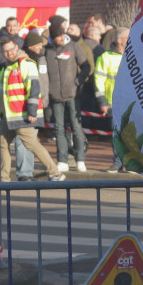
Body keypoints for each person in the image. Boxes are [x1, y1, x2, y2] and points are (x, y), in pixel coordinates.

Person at [0, 35, 63, 181]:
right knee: (2, 144)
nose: (9, 53)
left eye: (11, 50)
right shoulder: (9, 67)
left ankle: (55, 172)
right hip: (10, 115)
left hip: (23, 114)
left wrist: (32, 111)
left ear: (17, 47)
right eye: (6, 51)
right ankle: (3, 178)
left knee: (31, 144)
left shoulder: (25, 63)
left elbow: (33, 88)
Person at [42, 22, 90, 173]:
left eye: (63, 35)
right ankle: (62, 160)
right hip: (55, 96)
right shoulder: (46, 51)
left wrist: (77, 82)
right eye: (59, 36)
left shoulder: (74, 47)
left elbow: (86, 66)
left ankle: (80, 159)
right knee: (58, 128)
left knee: (76, 127)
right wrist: (47, 92)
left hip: (73, 95)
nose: (62, 38)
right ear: (52, 37)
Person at [93, 27, 129, 168]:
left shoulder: (135, 56)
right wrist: (102, 101)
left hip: (132, 102)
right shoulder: (106, 57)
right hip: (114, 102)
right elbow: (99, 81)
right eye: (127, 37)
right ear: (119, 40)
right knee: (117, 134)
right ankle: (119, 162)